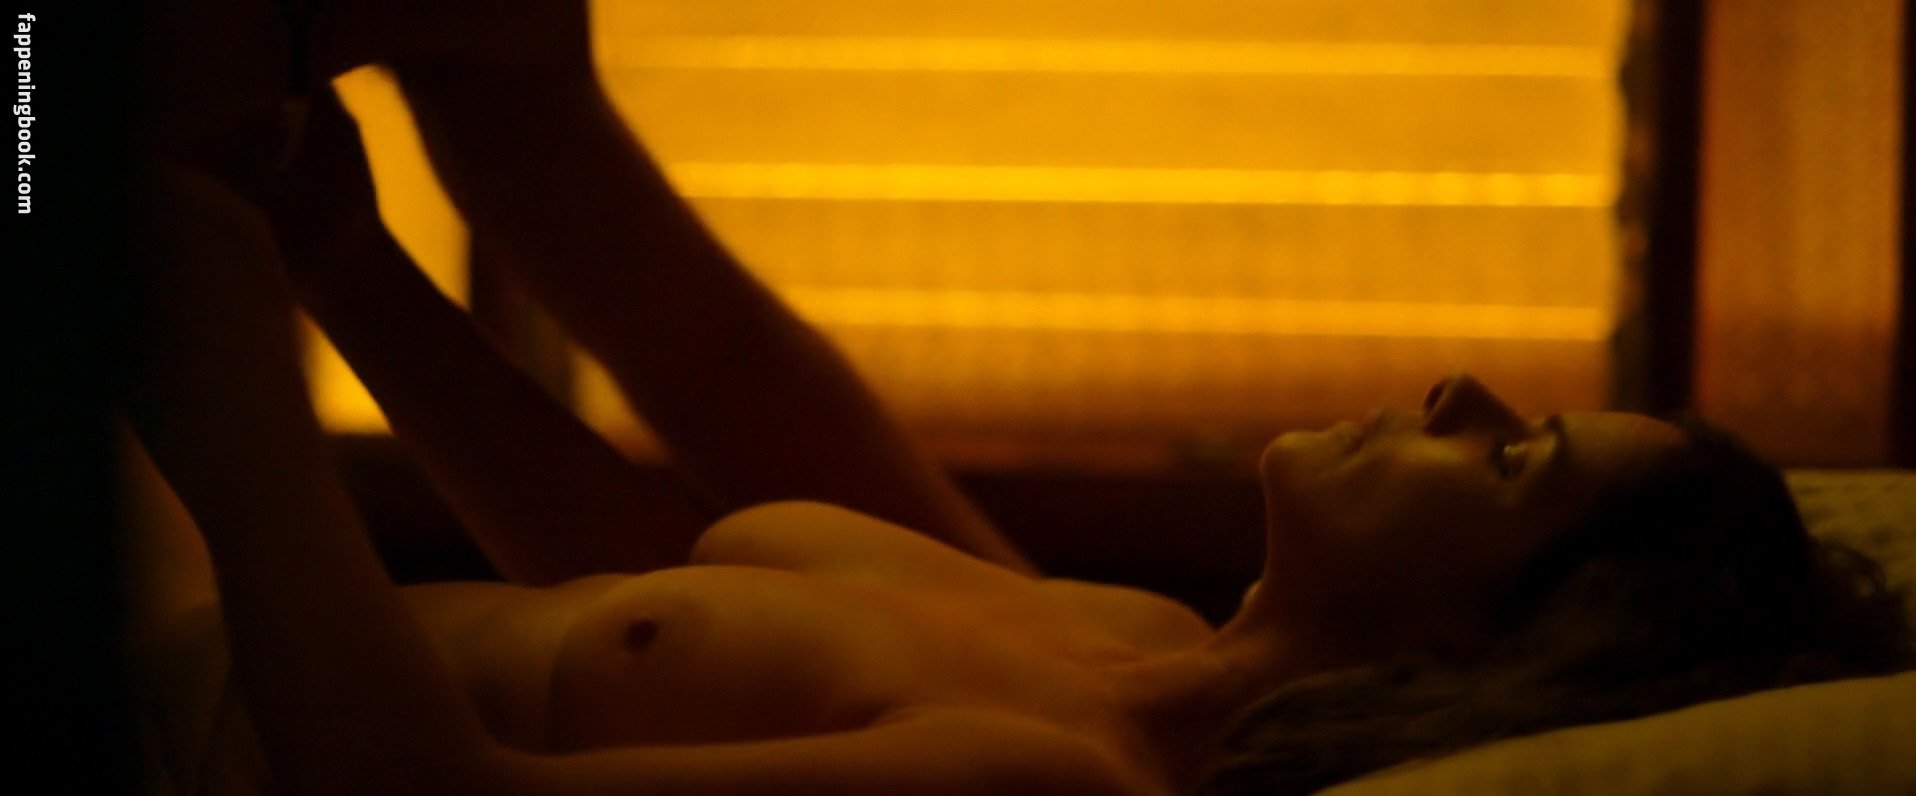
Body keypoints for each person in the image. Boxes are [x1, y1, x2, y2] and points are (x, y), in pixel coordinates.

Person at [123, 3, 1915, 794]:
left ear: (1487, 649)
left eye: (1514, 458)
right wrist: (343, 257)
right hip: (174, 660)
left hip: (164, 735)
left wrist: (211, 368)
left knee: (31, 98)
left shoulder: (1058, 777)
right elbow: (630, 592)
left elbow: (417, 786)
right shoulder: (1116, 633)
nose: (1457, 387)